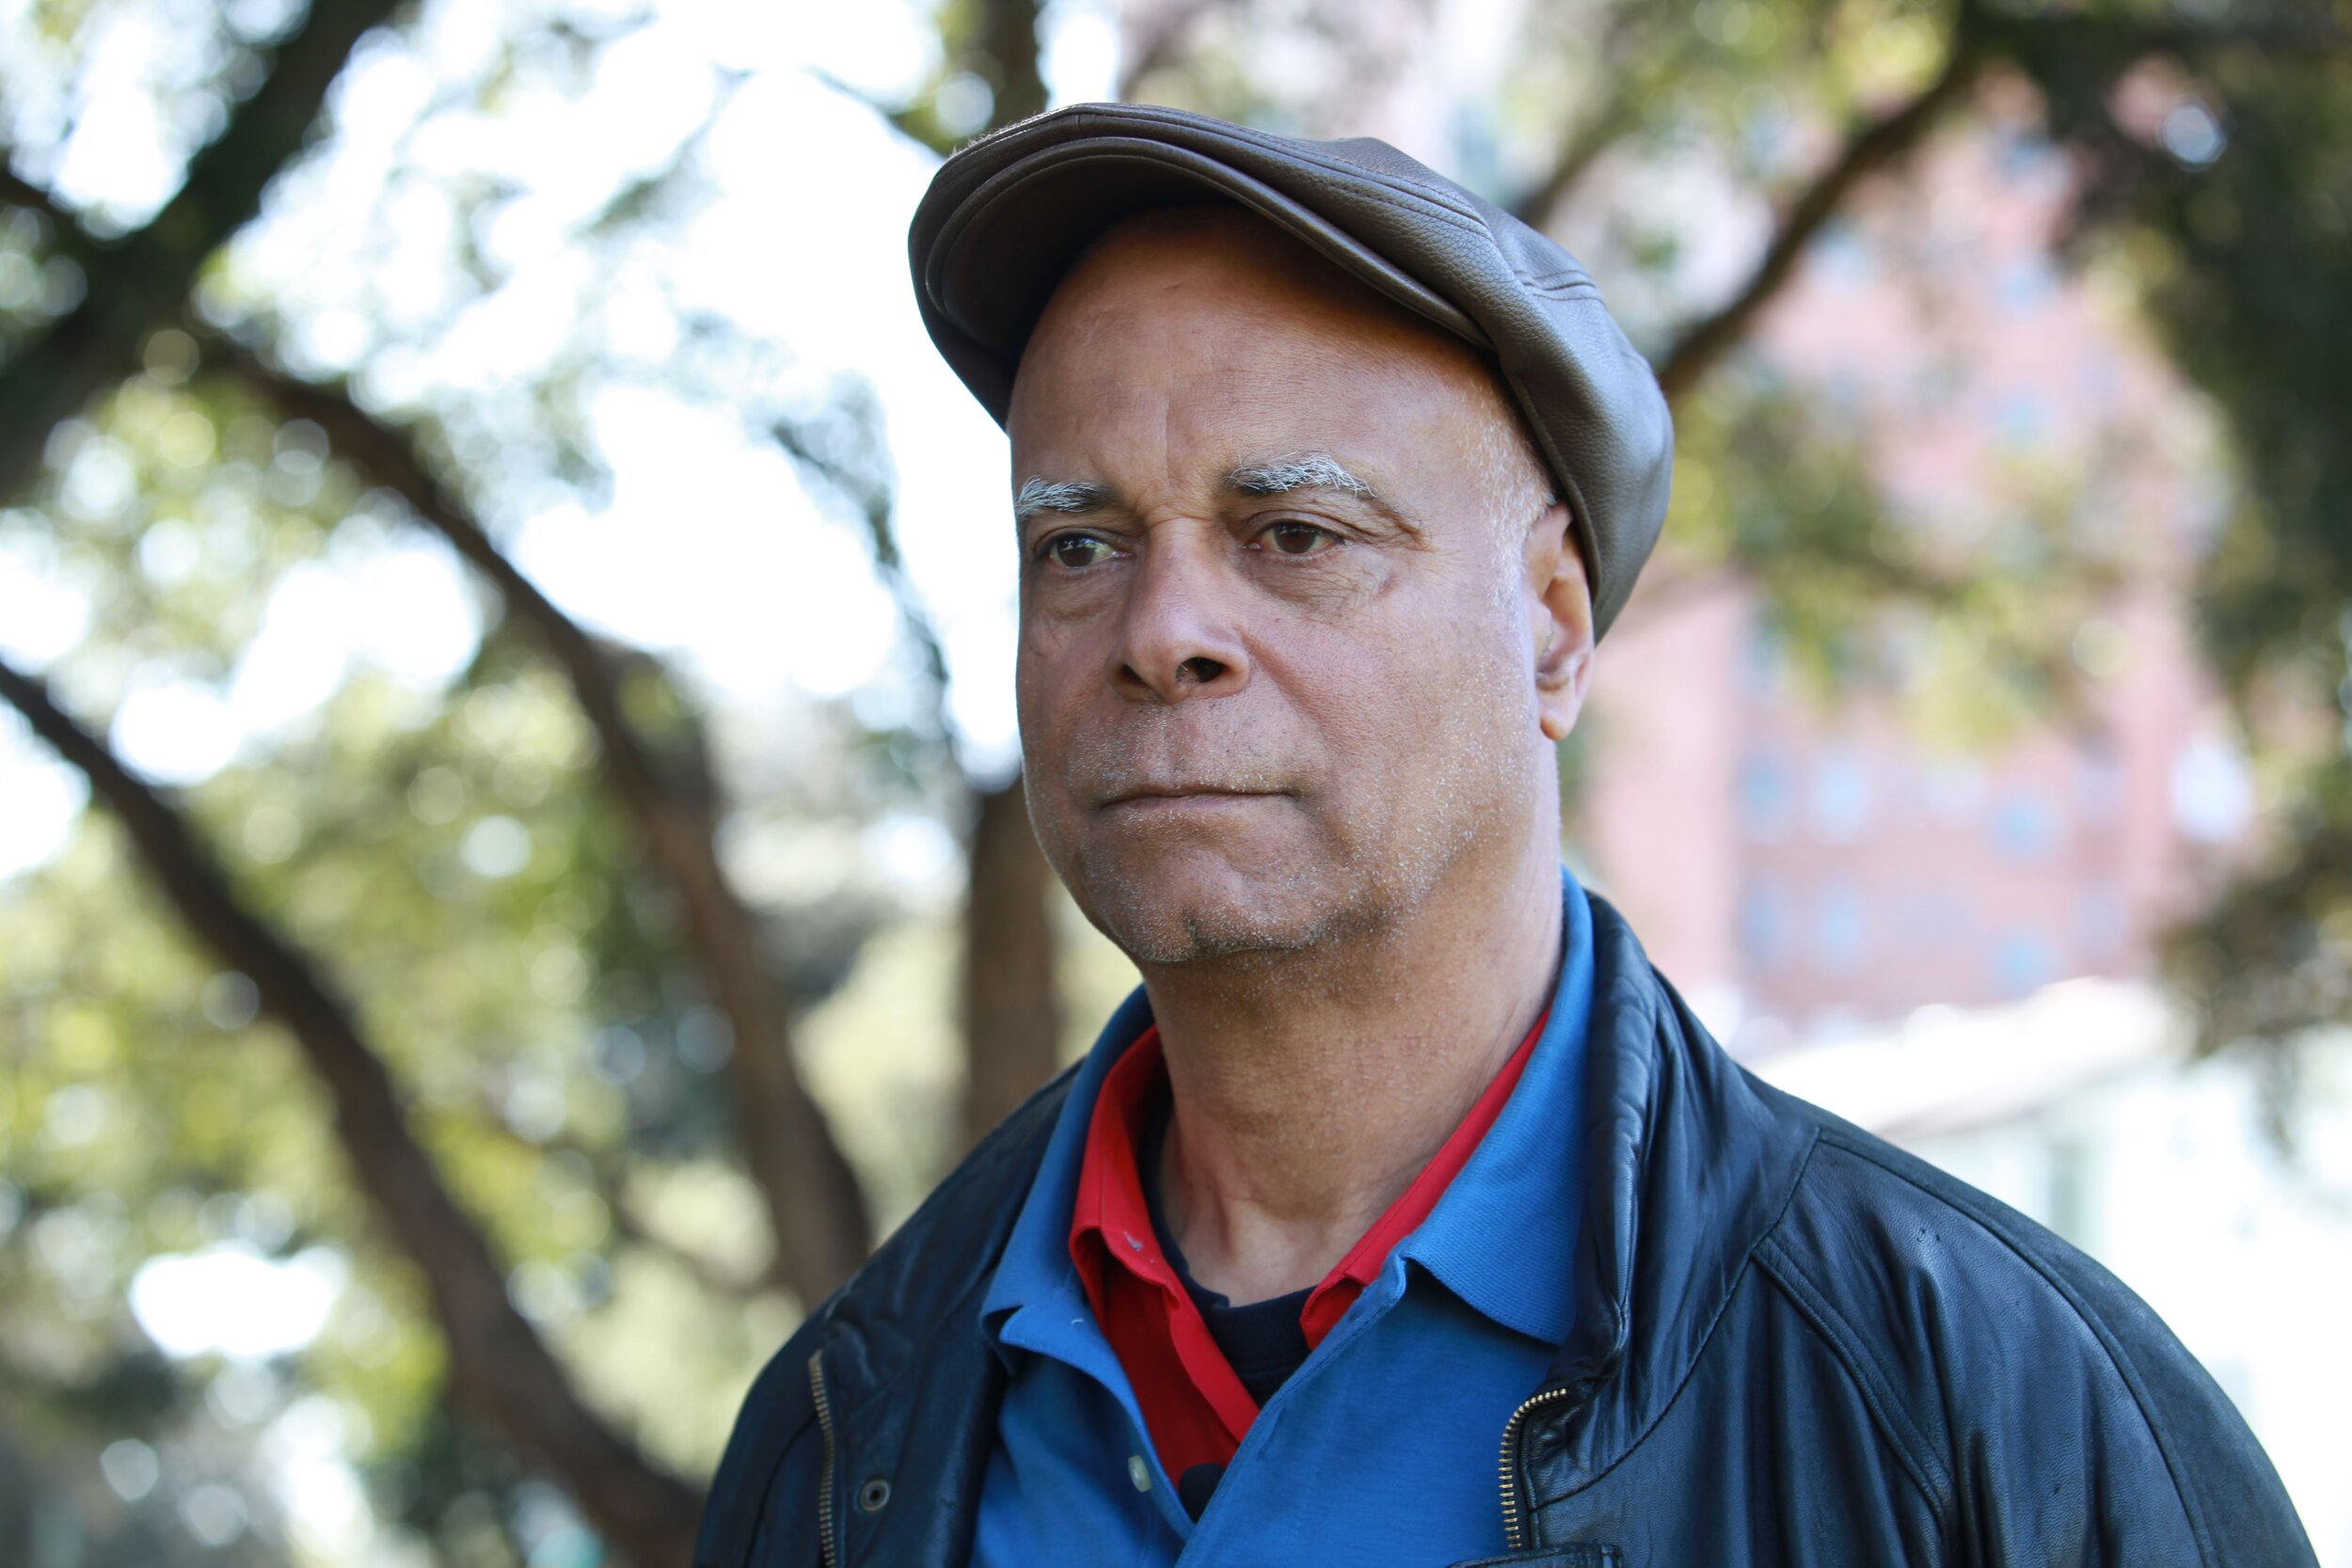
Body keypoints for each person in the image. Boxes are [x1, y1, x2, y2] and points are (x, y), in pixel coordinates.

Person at [694, 104, 2314, 1568]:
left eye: (1296, 534)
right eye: (1078, 544)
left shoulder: (1997, 1416)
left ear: (1551, 627)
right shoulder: (842, 1436)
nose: (1161, 627)